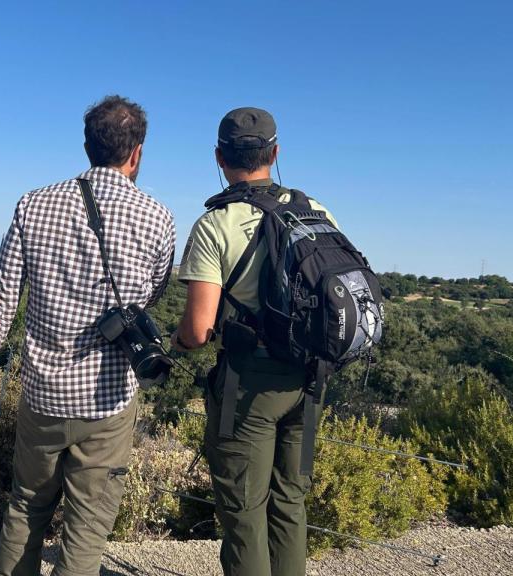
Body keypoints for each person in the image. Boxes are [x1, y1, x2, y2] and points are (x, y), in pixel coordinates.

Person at [0, 95, 176, 576]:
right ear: (136, 152)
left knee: (26, 505)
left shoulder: (33, 205)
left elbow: (2, 300)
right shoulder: (158, 217)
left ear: (86, 146)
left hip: (43, 393)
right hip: (109, 399)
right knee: (88, 525)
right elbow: (151, 295)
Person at [171, 107, 337, 576]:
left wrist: (175, 346)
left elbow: (199, 330)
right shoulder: (317, 210)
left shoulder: (215, 224)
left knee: (243, 512)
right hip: (310, 383)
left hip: (249, 389)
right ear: (276, 152)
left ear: (220, 157)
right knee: (290, 501)